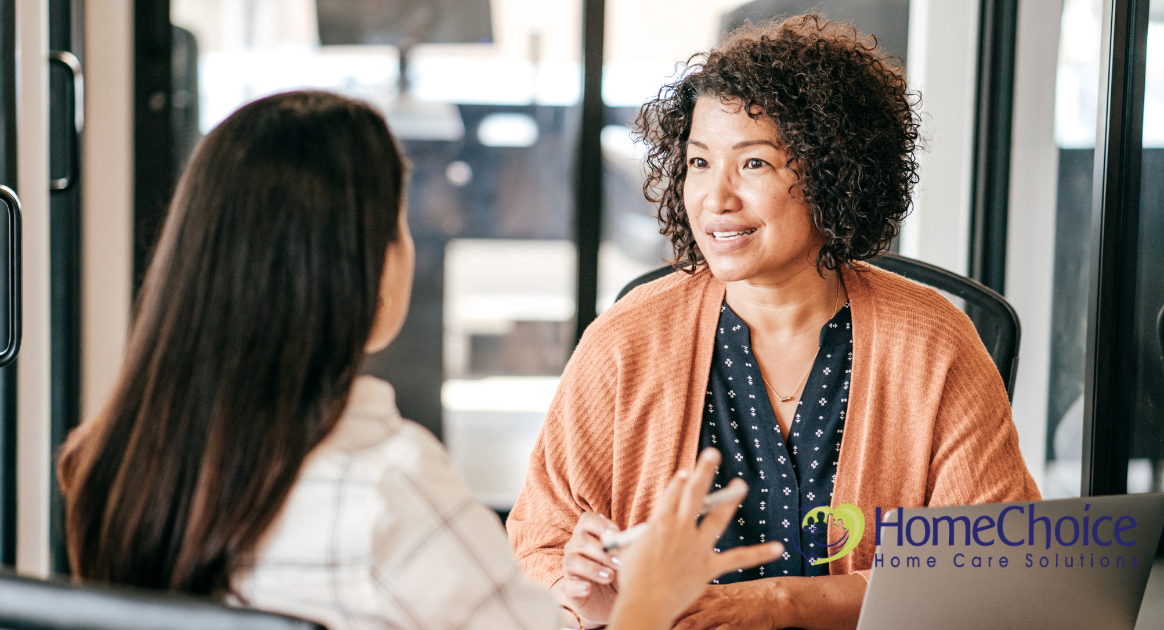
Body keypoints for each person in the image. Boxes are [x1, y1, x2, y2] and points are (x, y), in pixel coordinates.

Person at [56, 90, 781, 630]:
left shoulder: (112, 462)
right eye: (400, 226)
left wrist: (588, 608)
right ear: (364, 271)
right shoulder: (387, 486)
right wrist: (652, 597)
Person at [507, 15, 1040, 630]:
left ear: (833, 170)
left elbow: (993, 565)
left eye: (753, 164)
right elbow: (538, 547)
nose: (716, 198)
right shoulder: (627, 340)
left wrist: (782, 603)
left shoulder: (932, 342)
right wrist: (582, 593)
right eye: (699, 163)